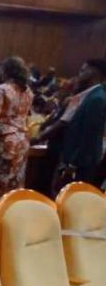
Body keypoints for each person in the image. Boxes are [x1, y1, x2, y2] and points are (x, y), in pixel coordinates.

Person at [0, 57, 34, 210]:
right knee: (14, 182)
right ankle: (9, 215)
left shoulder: (2, 89)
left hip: (3, 142)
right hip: (22, 139)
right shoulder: (28, 90)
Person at [54, 59, 106, 190]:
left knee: (71, 201)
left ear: (93, 73)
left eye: (83, 70)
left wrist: (72, 165)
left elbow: (89, 136)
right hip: (75, 160)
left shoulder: (97, 99)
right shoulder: (90, 95)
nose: (79, 74)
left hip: (80, 165)